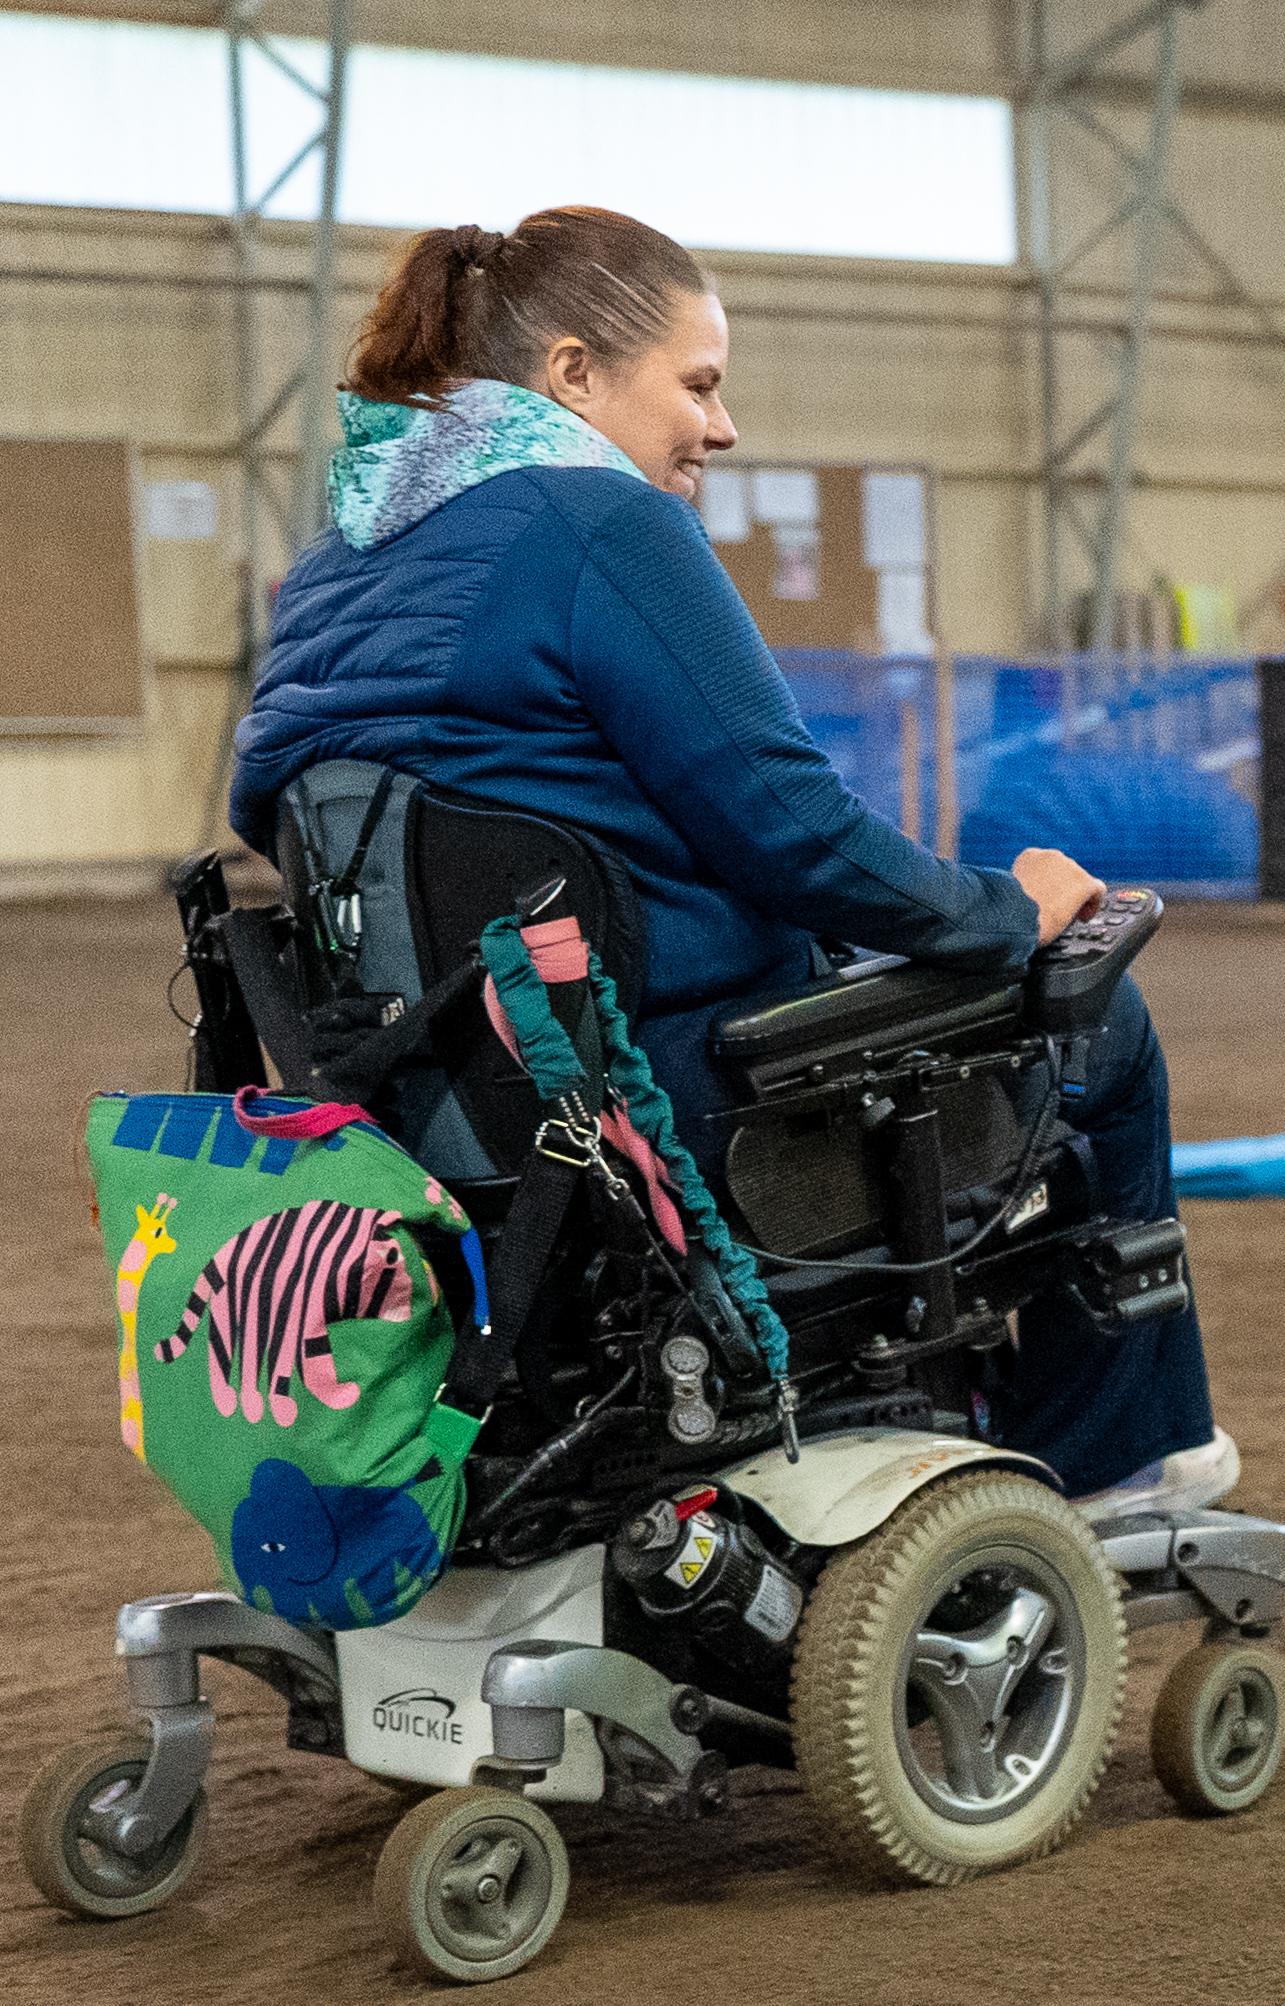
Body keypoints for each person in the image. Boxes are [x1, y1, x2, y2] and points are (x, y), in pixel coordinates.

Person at [226, 206, 1233, 1522]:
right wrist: (1008, 913)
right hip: (675, 1115)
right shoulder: (603, 522)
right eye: (697, 385)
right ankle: (1112, 1461)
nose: (724, 425)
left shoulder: (336, 564)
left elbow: (278, 819)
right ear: (575, 376)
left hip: (428, 1123)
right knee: (1101, 1024)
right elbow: (794, 835)